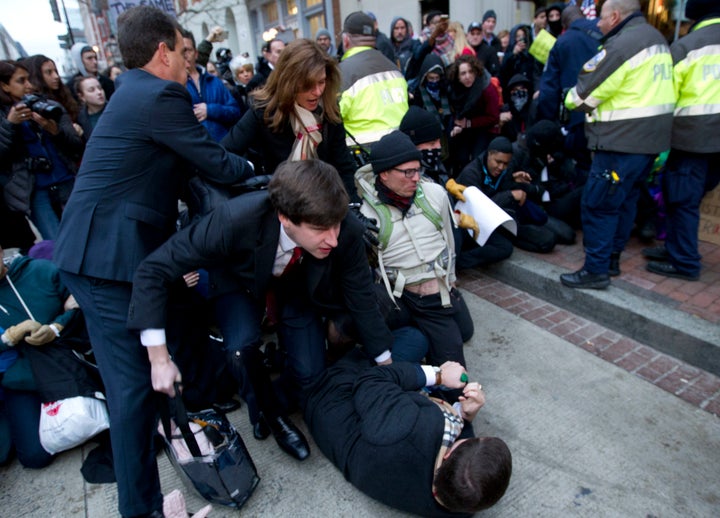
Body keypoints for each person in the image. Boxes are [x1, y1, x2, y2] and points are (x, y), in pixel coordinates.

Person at [53, 6, 253, 517]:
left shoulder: (135, 94)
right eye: (184, 54)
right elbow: (211, 160)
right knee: (133, 393)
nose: (190, 65)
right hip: (105, 258)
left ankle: (143, 502)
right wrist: (256, 167)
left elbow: (183, 169)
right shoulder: (161, 93)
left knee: (140, 387)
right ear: (163, 51)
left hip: (103, 251)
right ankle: (139, 511)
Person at [129, 160, 400, 461]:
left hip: (296, 287)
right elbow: (152, 270)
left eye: (336, 225)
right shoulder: (233, 219)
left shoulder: (344, 228)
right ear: (285, 217)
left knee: (311, 374)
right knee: (241, 349)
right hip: (239, 282)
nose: (333, 239)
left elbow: (361, 294)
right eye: (320, 229)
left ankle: (279, 382)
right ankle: (270, 415)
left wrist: (387, 364)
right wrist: (159, 358)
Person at [303, 349, 512, 516]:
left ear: (448, 453)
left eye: (471, 440)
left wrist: (439, 376)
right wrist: (466, 416)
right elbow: (464, 454)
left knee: (414, 339)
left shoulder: (411, 426)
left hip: (331, 391)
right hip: (363, 433)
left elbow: (370, 380)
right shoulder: (460, 503)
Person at [559, 0, 674, 289]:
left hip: (619, 143)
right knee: (624, 202)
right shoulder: (656, 38)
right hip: (648, 144)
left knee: (598, 204)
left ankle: (595, 270)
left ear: (614, 16)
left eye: (600, 18)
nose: (597, 24)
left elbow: (582, 97)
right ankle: (611, 260)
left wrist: (567, 97)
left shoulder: (621, 46)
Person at [355, 131, 474, 367]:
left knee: (456, 375)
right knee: (403, 352)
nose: (416, 178)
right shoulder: (365, 215)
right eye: (408, 172)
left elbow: (449, 241)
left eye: (418, 169)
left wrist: (449, 279)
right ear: (384, 173)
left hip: (433, 299)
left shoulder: (434, 195)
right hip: (396, 300)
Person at [221, 38, 359, 200]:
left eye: (321, 82)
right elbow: (225, 152)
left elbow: (343, 165)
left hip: (326, 201)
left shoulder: (329, 109)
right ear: (288, 82)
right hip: (281, 203)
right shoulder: (264, 111)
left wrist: (351, 205)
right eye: (307, 85)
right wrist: (250, 172)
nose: (317, 92)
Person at [643, 0, 720, 281]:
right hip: (714, 146)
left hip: (691, 140)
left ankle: (685, 262)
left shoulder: (687, 46)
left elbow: (665, 97)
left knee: (681, 201)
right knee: (691, 199)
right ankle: (675, 249)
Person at [400, 107, 513, 268]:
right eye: (432, 143)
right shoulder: (403, 176)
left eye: (439, 141)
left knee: (503, 246)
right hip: (434, 237)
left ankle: (455, 262)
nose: (437, 147)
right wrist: (454, 218)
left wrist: (448, 188)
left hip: (454, 227)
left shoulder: (431, 164)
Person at [0, 245, 77, 469]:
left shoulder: (39, 271)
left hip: (64, 356)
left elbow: (82, 300)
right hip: (22, 372)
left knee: (94, 421)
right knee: (35, 456)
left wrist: (57, 326)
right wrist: (10, 338)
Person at [0, 60, 84, 240]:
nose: (29, 86)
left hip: (66, 180)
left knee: (84, 235)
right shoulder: (3, 117)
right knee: (56, 244)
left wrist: (55, 131)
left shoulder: (46, 105)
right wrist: (10, 125)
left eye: (29, 79)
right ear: (5, 86)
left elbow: (76, 144)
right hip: (35, 191)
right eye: (21, 81)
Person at [455, 136, 556, 254]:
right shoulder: (471, 174)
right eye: (498, 162)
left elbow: (499, 188)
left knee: (546, 229)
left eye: (505, 164)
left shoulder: (502, 170)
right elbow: (480, 210)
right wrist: (510, 195)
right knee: (506, 247)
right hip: (469, 225)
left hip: (500, 217)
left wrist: (514, 181)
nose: (501, 167)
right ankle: (459, 262)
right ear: (489, 154)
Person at [536, 5, 602, 174]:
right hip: (608, 117)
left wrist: (548, 125)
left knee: (581, 169)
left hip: (577, 118)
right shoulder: (605, 35)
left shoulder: (562, 43)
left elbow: (548, 92)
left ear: (564, 24)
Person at [338, 11, 409, 148]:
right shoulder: (394, 68)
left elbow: (333, 117)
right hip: (400, 150)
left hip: (362, 155)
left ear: (346, 40)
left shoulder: (342, 73)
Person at [182, 29, 241, 142]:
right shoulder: (176, 84)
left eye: (188, 50)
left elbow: (235, 112)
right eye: (181, 51)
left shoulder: (214, 81)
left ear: (196, 53)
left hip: (224, 148)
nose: (185, 55)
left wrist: (210, 110)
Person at [447, 55, 500, 176]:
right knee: (460, 156)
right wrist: (458, 124)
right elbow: (456, 110)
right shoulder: (455, 88)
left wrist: (469, 123)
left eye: (471, 72)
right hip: (465, 128)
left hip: (484, 128)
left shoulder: (486, 88)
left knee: (478, 159)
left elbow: (493, 116)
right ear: (458, 77)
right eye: (463, 73)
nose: (467, 76)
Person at [24, 54, 79, 124]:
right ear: (37, 76)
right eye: (49, 72)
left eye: (55, 71)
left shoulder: (64, 96)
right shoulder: (36, 106)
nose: (56, 76)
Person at [74, 75, 107, 140]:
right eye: (91, 90)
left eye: (100, 88)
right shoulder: (81, 120)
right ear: (82, 96)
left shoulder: (115, 109)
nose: (99, 92)